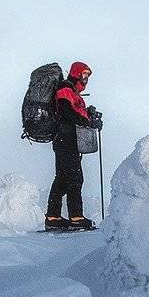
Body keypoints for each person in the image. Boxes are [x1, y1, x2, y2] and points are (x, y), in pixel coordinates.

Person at [45, 61, 102, 232]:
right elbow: (66, 112)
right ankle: (76, 217)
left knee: (62, 178)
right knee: (75, 178)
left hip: (66, 140)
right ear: (76, 73)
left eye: (87, 75)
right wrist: (87, 120)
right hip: (65, 139)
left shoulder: (72, 92)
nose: (85, 78)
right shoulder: (65, 89)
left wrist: (89, 115)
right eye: (83, 74)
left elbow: (74, 112)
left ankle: (53, 217)